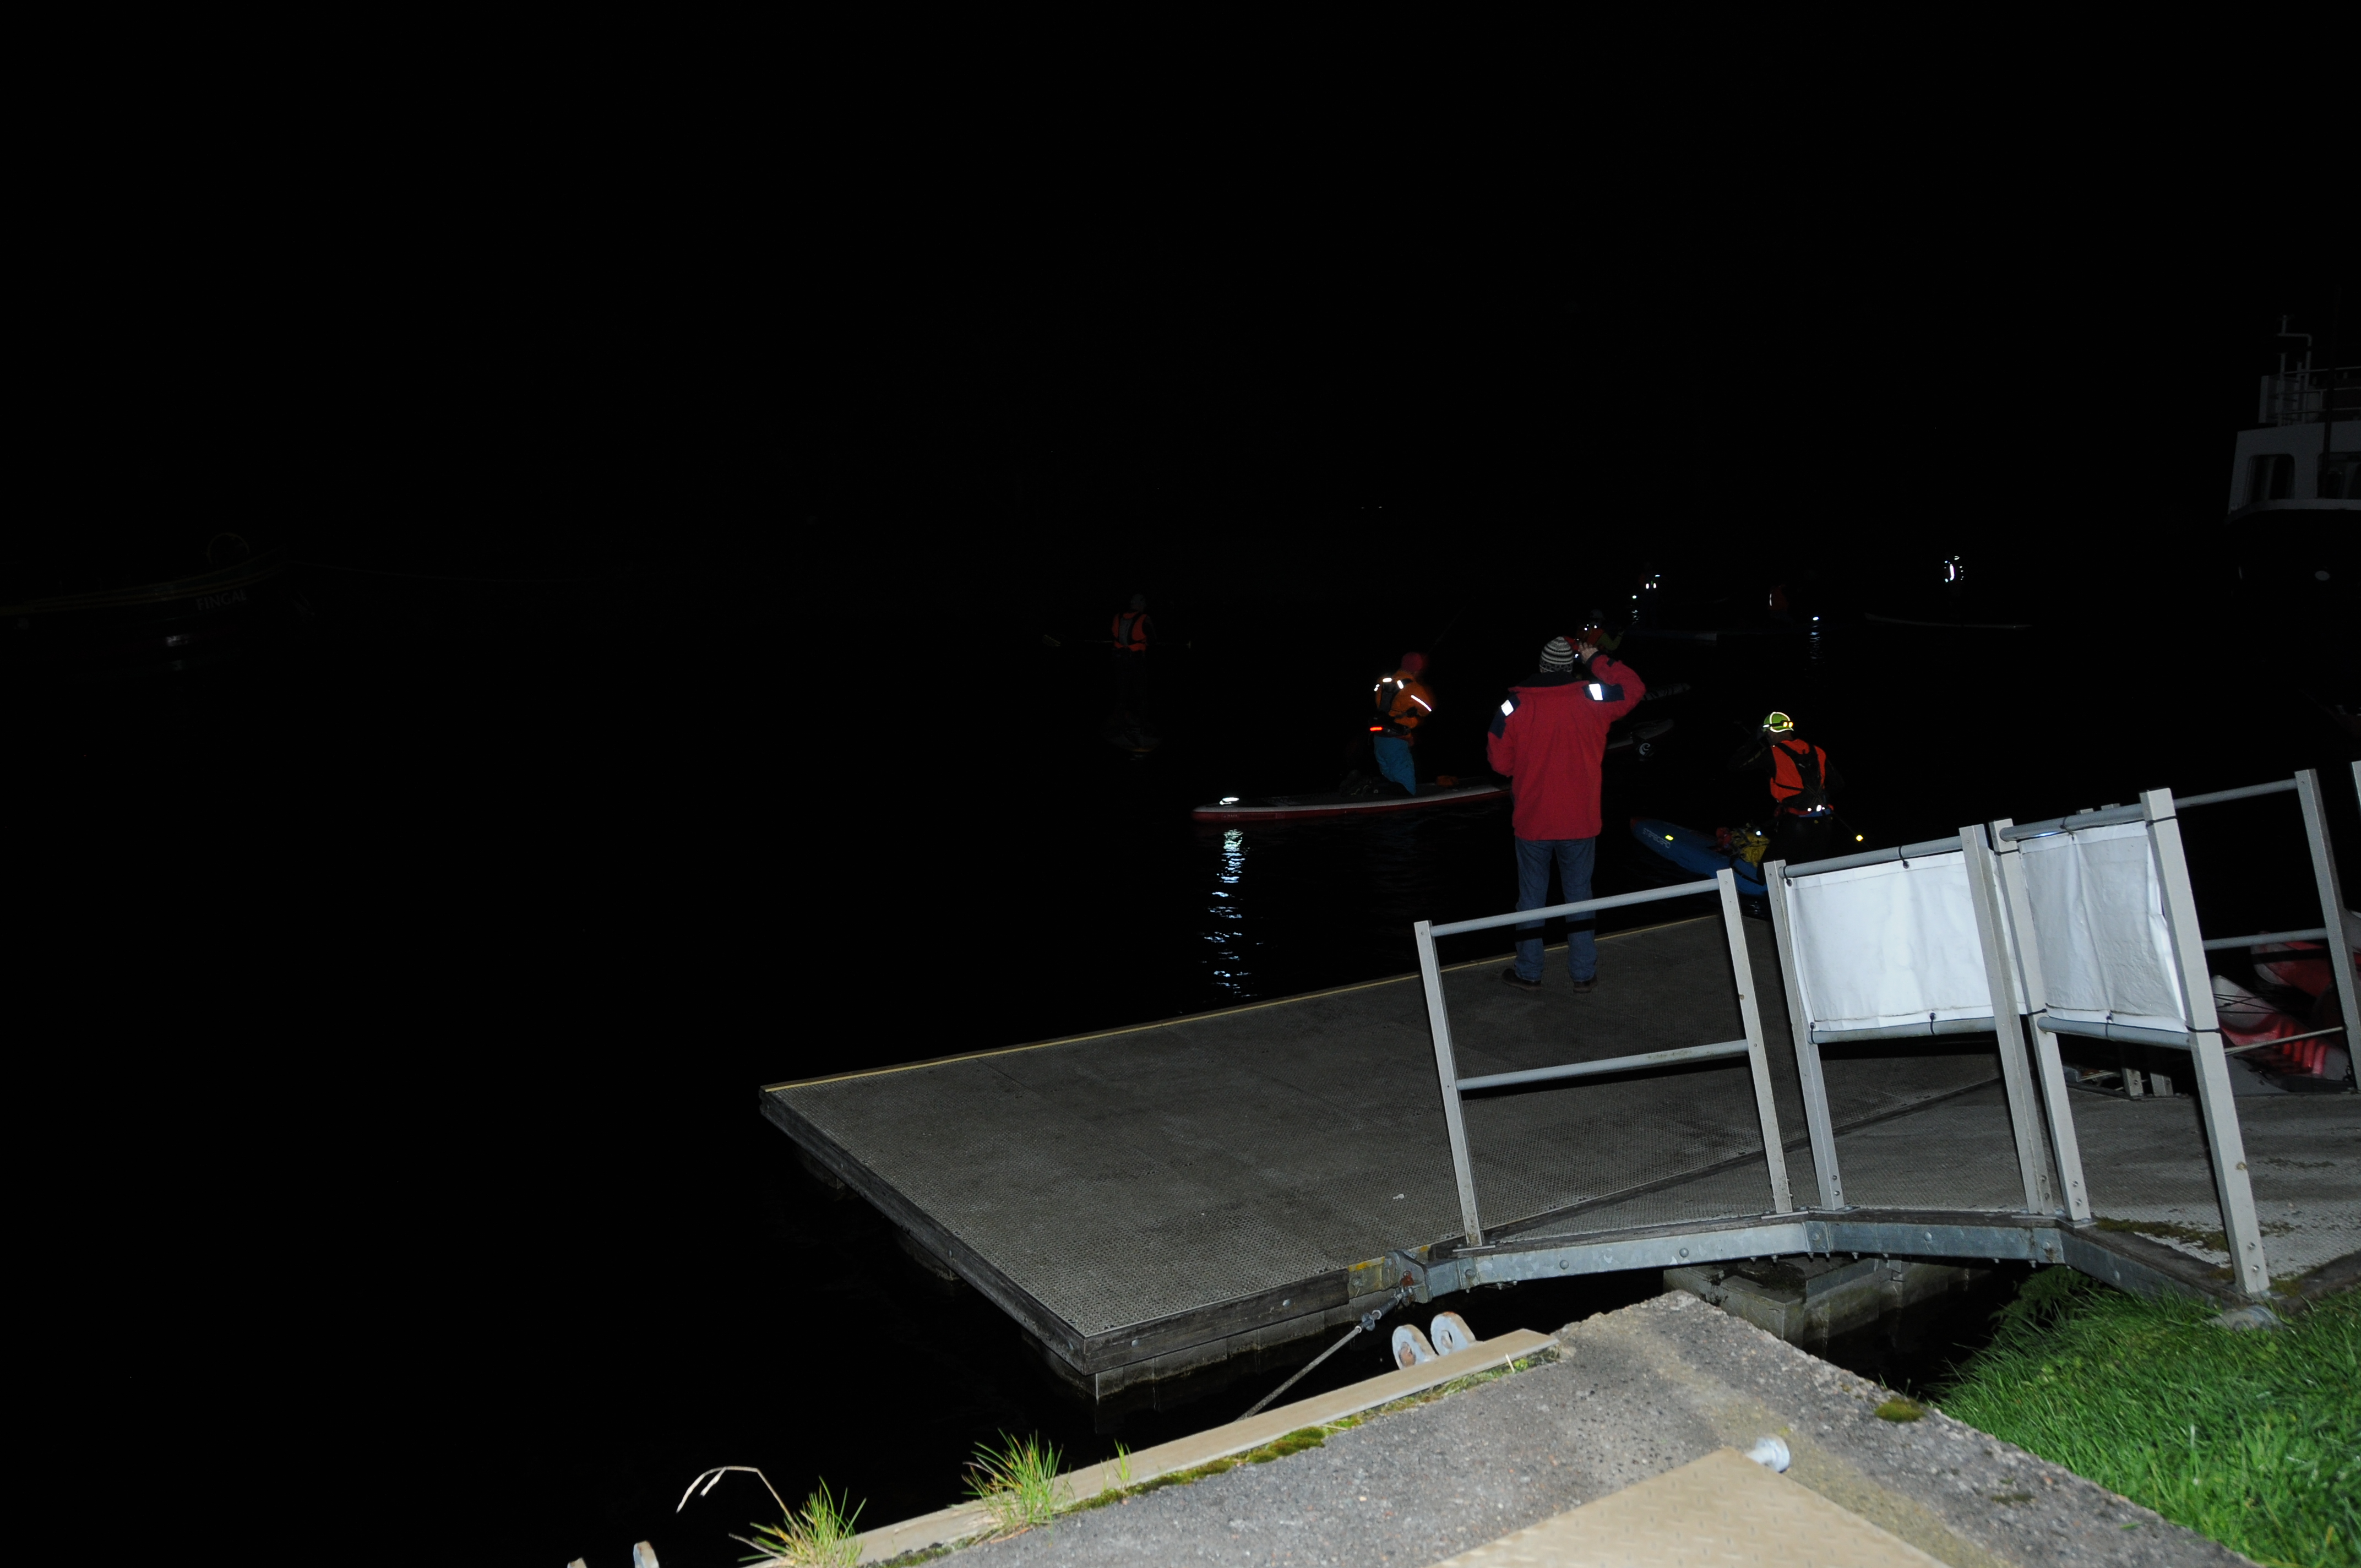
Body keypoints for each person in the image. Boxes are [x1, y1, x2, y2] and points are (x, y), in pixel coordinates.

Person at [1487, 631, 1645, 992]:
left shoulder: (1515, 705)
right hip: (1580, 820)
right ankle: (1583, 975)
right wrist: (1596, 660)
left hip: (1533, 820)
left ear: (1542, 667)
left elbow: (1499, 763)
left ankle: (1529, 973)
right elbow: (1634, 688)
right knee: (1579, 896)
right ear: (1570, 668)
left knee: (1532, 899)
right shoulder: (1592, 696)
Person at [1732, 711, 1845, 864]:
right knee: (1810, 870)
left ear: (1770, 733)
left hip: (1796, 823)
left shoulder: (1772, 753)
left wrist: (1753, 738)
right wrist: (1815, 797)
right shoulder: (1817, 751)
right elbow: (1838, 784)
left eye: (1767, 735)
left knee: (1769, 869)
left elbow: (1735, 765)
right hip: (1824, 825)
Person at [1370, 652, 1435, 796]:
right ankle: (1406, 803)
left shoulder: (1384, 680)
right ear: (1417, 670)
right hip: (1397, 738)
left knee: (1389, 776)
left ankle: (1384, 797)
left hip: (1379, 736)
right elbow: (1427, 709)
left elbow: (1379, 701)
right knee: (1405, 780)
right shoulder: (1413, 687)